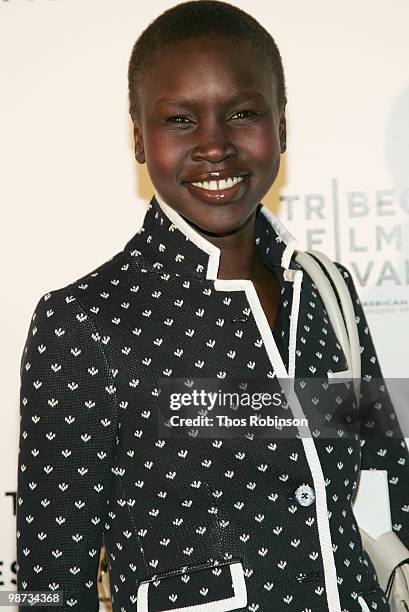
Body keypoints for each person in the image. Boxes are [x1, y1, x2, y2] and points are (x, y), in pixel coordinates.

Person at [16, 1, 409, 611]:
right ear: (140, 136)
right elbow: (51, 587)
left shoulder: (328, 289)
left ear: (282, 125)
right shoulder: (85, 324)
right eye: (180, 120)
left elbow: (388, 480)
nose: (215, 146)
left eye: (243, 113)